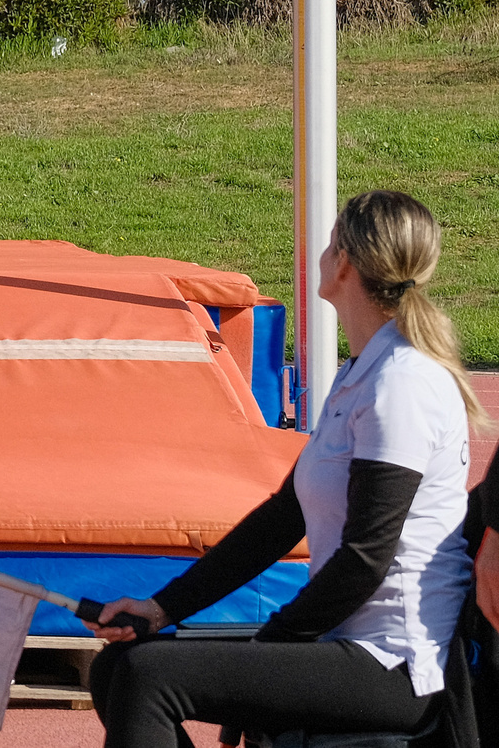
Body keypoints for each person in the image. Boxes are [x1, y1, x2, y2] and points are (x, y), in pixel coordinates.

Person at [86, 189, 480, 747]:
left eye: (328, 244)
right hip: (349, 642)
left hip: (397, 663)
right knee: (123, 665)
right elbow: (280, 520)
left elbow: (366, 559)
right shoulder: (362, 373)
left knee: (148, 678)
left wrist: (274, 644)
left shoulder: (403, 383)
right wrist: (159, 608)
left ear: (343, 261)